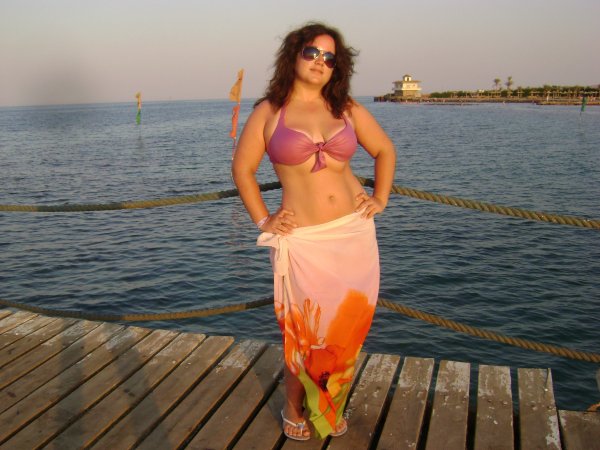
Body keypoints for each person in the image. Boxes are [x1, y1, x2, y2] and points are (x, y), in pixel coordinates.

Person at [231, 22, 396, 441]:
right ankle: (293, 406)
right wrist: (263, 220)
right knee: (303, 333)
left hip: (354, 235)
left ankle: (328, 406)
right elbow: (243, 170)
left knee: (345, 331)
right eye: (312, 52)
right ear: (294, 55)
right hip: (304, 241)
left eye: (329, 57)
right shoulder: (269, 112)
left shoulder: (345, 108)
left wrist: (380, 198)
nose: (320, 62)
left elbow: (384, 150)